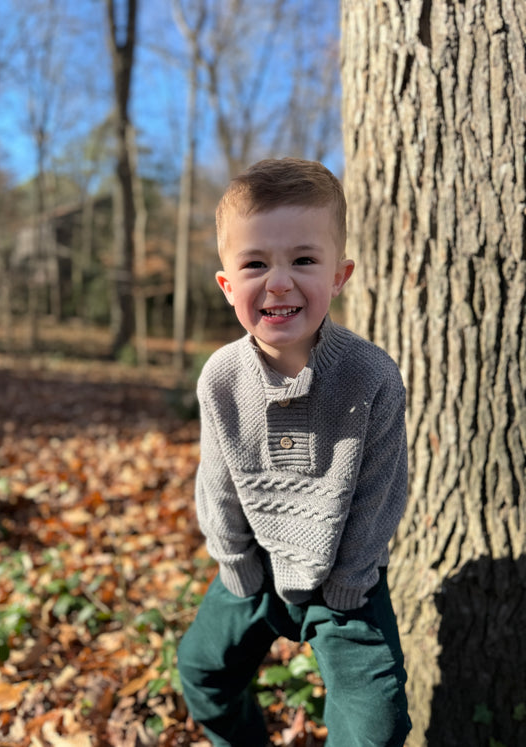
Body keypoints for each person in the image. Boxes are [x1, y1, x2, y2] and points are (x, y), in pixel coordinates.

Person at [177, 157, 412, 746]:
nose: (278, 281)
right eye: (255, 263)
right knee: (203, 670)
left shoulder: (371, 378)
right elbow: (219, 480)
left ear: (339, 275)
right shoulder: (222, 378)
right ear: (228, 285)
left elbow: (381, 489)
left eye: (303, 260)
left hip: (345, 580)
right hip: (254, 564)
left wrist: (348, 585)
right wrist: (236, 562)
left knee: (376, 722)